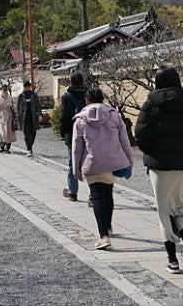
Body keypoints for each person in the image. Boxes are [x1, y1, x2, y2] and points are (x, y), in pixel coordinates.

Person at [135, 66, 183, 274]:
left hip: (160, 166)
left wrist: (149, 151)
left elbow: (141, 134)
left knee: (164, 212)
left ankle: (172, 260)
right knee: (179, 207)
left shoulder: (150, 103)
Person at [72, 87, 133, 251]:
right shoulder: (114, 115)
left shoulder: (80, 119)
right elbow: (125, 140)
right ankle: (108, 226)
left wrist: (76, 169)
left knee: (97, 196)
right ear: (102, 100)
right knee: (108, 193)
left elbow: (77, 147)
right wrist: (129, 161)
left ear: (86, 101)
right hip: (112, 161)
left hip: (92, 163)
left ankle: (103, 235)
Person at [59, 71, 88, 201]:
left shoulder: (67, 96)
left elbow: (64, 116)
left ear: (71, 82)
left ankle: (72, 192)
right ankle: (93, 196)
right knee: (90, 162)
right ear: (82, 81)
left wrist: (63, 132)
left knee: (72, 163)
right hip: (89, 133)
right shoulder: (89, 94)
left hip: (72, 133)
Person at [15, 80, 42, 158]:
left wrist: (40, 115)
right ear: (24, 87)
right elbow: (18, 107)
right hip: (24, 118)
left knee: (33, 133)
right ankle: (29, 149)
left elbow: (38, 106)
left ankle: (30, 145)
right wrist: (18, 116)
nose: (27, 88)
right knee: (26, 134)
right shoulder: (21, 96)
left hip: (33, 117)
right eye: (26, 87)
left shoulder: (34, 95)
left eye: (28, 87)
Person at [0, 84, 17, 153]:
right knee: (1, 133)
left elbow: (15, 107)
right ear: (1, 90)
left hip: (9, 117)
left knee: (8, 133)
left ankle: (7, 147)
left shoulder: (10, 98)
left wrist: (12, 106)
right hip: (1, 117)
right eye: (3, 90)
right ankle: (2, 146)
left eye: (6, 90)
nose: (5, 91)